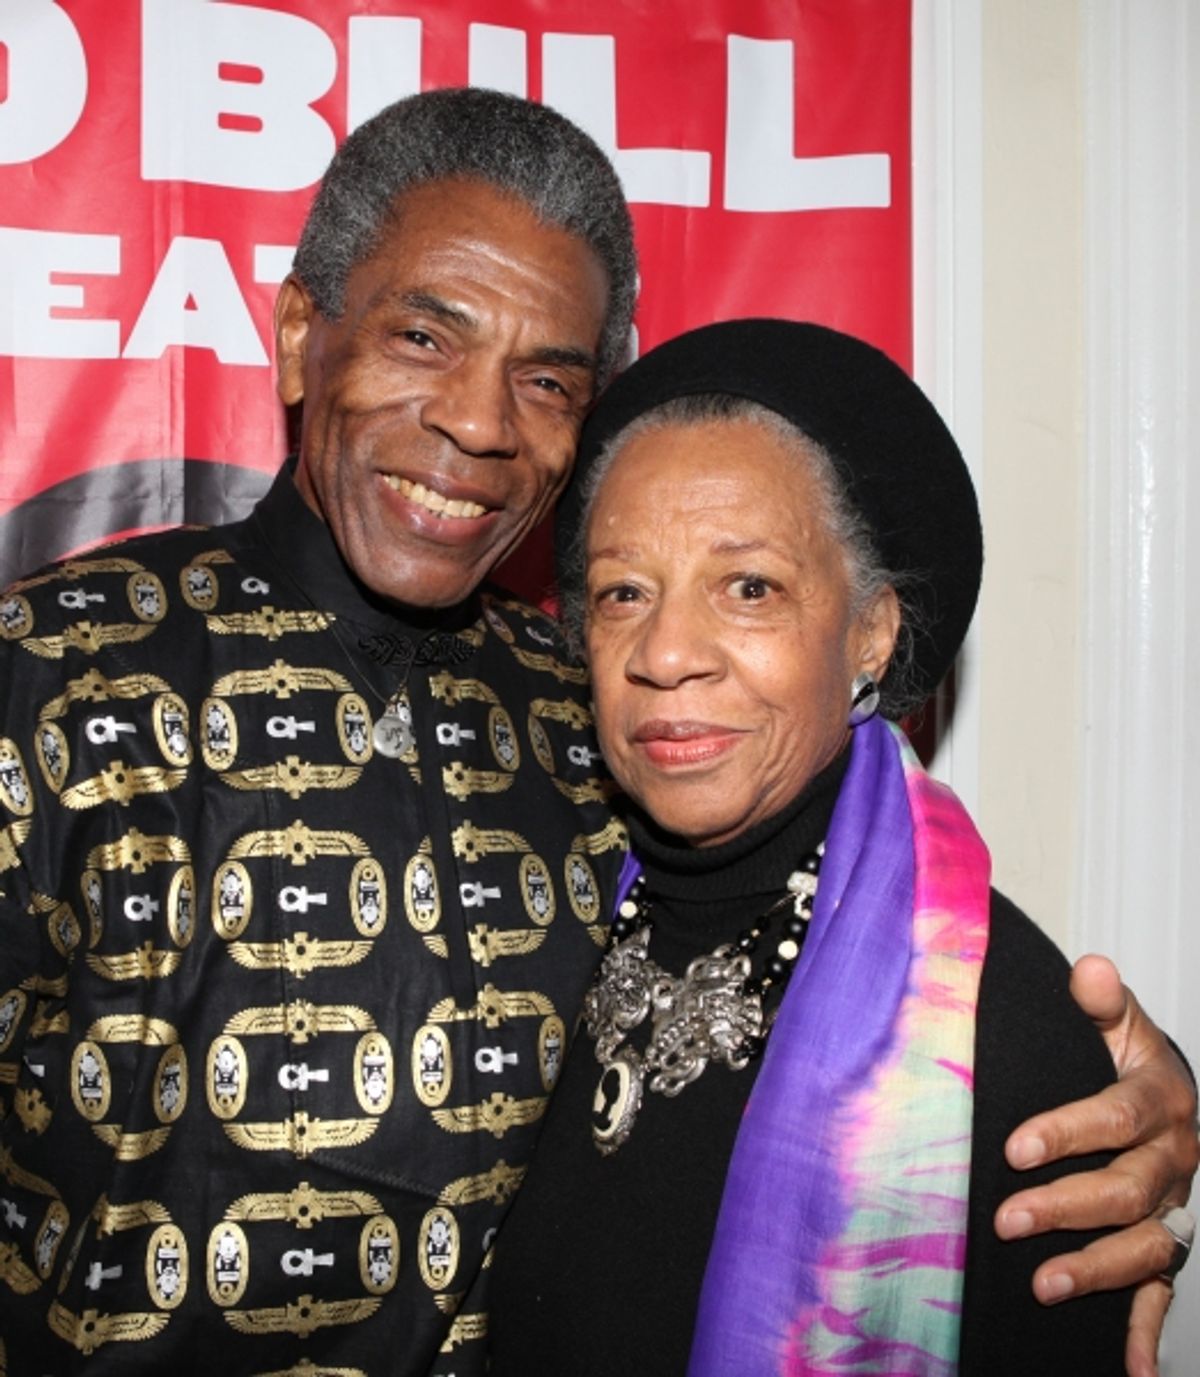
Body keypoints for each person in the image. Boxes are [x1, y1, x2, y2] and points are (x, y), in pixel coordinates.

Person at [0, 91, 1191, 1377]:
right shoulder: (51, 671)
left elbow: (842, 947)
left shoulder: (607, 718)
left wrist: (1101, 1089)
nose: (479, 422)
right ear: (300, 338)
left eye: (547, 379)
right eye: (421, 336)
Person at [486, 318, 1196, 1375]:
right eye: (625, 592)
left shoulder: (1000, 1041)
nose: (667, 652)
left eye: (749, 587)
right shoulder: (545, 886)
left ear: (869, 632)